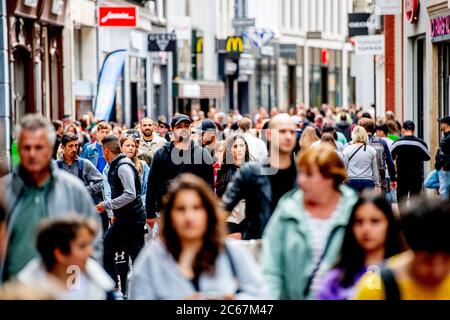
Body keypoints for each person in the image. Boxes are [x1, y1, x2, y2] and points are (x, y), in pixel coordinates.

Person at [129, 174, 269, 300]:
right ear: (170, 215)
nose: (189, 217)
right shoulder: (151, 259)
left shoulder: (231, 253)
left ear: (208, 212)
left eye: (197, 208)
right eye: (181, 209)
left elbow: (261, 295)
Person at [0, 114, 99, 282]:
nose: (32, 154)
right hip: (15, 290)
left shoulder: (74, 190)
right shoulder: (4, 191)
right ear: (18, 149)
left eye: (39, 147)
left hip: (64, 289)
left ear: (50, 148)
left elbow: (94, 243)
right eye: (26, 147)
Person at [261, 145, 358, 299]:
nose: (300, 180)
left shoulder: (354, 210)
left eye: (309, 174)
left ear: (330, 178)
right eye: (300, 173)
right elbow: (271, 267)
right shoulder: (288, 210)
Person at [353, 197, 450, 300]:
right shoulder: (376, 288)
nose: (437, 270)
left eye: (446, 260)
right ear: (410, 248)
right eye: (427, 260)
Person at [222, 114, 297, 240]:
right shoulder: (250, 172)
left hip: (293, 248)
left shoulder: (305, 173)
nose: (288, 136)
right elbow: (224, 208)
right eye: (282, 131)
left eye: (292, 132)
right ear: (269, 134)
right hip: (258, 246)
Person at [317, 192, 404, 300]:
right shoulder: (336, 279)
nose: (366, 229)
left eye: (375, 221)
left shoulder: (405, 273)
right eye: (359, 222)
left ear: (389, 224)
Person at [16, 216, 116, 300]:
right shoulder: (23, 290)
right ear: (60, 254)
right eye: (82, 246)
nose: (90, 251)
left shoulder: (100, 284)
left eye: (89, 244)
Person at [95, 135, 146, 297]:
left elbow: (130, 194)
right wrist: (115, 212)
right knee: (105, 248)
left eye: (103, 151)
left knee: (137, 257)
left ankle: (142, 291)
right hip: (123, 219)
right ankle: (114, 287)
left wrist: (107, 205)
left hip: (133, 219)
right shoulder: (115, 165)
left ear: (106, 150)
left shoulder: (123, 166)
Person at [145, 114, 215, 231]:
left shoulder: (202, 154)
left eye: (186, 126)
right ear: (172, 130)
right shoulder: (161, 154)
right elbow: (152, 185)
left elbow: (209, 186)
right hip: (166, 211)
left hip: (194, 211)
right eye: (179, 126)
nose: (183, 129)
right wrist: (150, 214)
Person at [58, 133, 104, 206]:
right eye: (70, 146)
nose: (74, 149)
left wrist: (86, 190)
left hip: (81, 207)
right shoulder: (56, 166)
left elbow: (101, 182)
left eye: (76, 145)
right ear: (62, 147)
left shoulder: (85, 163)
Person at [390, 120, 430, 203]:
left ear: (403, 129)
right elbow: (428, 157)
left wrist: (393, 176)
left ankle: (402, 215)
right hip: (416, 177)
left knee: (401, 199)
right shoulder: (420, 143)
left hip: (402, 176)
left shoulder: (397, 143)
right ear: (414, 130)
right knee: (415, 200)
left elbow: (390, 158)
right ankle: (412, 215)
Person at [358, 118, 397, 195]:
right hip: (380, 182)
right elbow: (390, 162)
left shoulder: (356, 144)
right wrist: (393, 179)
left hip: (361, 180)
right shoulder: (382, 142)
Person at [342, 126, 380, 192]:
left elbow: (344, 168)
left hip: (351, 181)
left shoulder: (347, 149)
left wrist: (343, 181)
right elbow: (375, 170)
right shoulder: (371, 150)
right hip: (367, 181)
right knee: (366, 202)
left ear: (353, 135)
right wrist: (377, 185)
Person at [120, 135, 150, 206]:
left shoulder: (143, 165)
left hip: (140, 206)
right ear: (121, 148)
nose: (131, 148)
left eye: (133, 146)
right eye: (127, 145)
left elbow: (150, 187)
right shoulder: (113, 165)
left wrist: (140, 203)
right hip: (121, 207)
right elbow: (109, 191)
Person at [435, 116, 450, 197]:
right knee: (428, 182)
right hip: (440, 168)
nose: (440, 124)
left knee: (443, 194)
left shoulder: (448, 137)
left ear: (446, 124)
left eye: (442, 123)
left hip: (445, 169)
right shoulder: (445, 136)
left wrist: (445, 165)